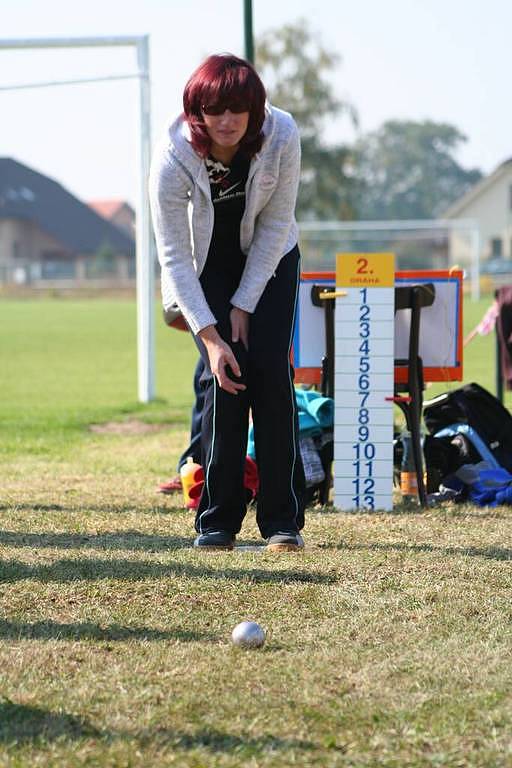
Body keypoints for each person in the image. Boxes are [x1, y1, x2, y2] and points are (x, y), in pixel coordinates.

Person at [149, 53, 306, 551]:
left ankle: (282, 521)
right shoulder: (173, 157)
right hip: (204, 265)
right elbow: (173, 257)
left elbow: (277, 224)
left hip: (271, 258)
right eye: (216, 110)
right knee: (225, 379)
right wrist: (212, 336)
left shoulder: (281, 134)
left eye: (239, 109)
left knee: (270, 376)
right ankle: (218, 520)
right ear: (198, 112)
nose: (228, 121)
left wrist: (245, 304)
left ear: (255, 110)